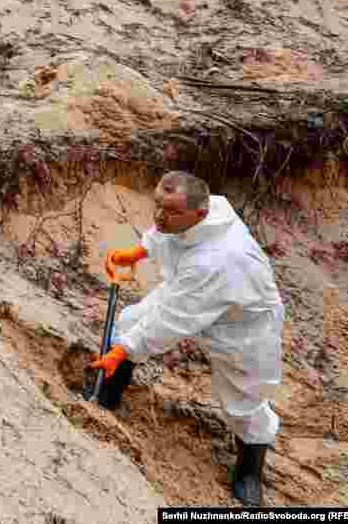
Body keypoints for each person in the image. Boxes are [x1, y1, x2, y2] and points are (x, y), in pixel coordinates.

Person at [90, 171, 284, 507]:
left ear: (200, 213)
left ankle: (250, 471)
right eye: (157, 206)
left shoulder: (217, 260)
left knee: (245, 397)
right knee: (131, 322)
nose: (160, 217)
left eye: (171, 211)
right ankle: (106, 394)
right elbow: (167, 234)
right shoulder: (204, 212)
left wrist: (121, 351)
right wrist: (137, 252)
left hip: (243, 323)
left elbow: (170, 321)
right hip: (192, 290)